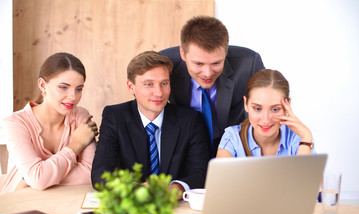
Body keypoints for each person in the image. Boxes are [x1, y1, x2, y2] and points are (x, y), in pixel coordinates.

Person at [91, 51, 209, 199]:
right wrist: (135, 189)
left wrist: (176, 189)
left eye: (164, 83)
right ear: (131, 86)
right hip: (132, 207)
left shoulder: (190, 120)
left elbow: (200, 172)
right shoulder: (115, 116)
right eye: (149, 84)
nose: (159, 93)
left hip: (175, 206)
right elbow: (100, 173)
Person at [160, 16, 265, 156]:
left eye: (216, 63)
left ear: (225, 53)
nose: (207, 73)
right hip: (186, 147)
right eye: (198, 64)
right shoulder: (165, 65)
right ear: (182, 54)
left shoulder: (249, 63)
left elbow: (268, 107)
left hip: (234, 146)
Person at [0, 52, 98, 194]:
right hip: (20, 204)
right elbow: (38, 179)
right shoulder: (15, 123)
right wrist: (77, 144)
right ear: (42, 85)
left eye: (79, 89)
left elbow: (91, 174)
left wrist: (34, 178)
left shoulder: (80, 116)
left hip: (61, 202)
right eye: (63, 87)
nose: (73, 97)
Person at [216, 69, 315, 158]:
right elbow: (219, 178)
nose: (266, 120)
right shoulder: (232, 137)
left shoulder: (298, 137)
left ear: (287, 106)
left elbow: (309, 178)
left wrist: (306, 139)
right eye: (258, 108)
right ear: (246, 104)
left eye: (275, 109)